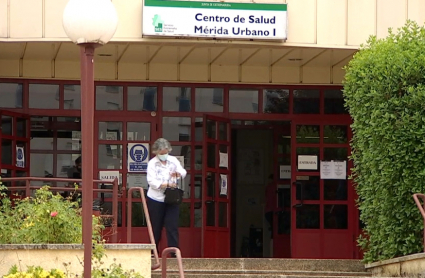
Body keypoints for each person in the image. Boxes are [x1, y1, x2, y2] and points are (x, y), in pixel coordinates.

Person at [146, 138, 187, 257]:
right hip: (156, 198)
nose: (164, 155)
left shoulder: (173, 160)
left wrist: (178, 174)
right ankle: (153, 252)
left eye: (165, 152)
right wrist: (166, 184)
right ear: (156, 152)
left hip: (171, 197)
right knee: (156, 226)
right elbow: (151, 181)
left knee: (172, 225)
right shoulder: (152, 163)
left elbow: (183, 172)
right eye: (161, 153)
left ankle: (174, 252)